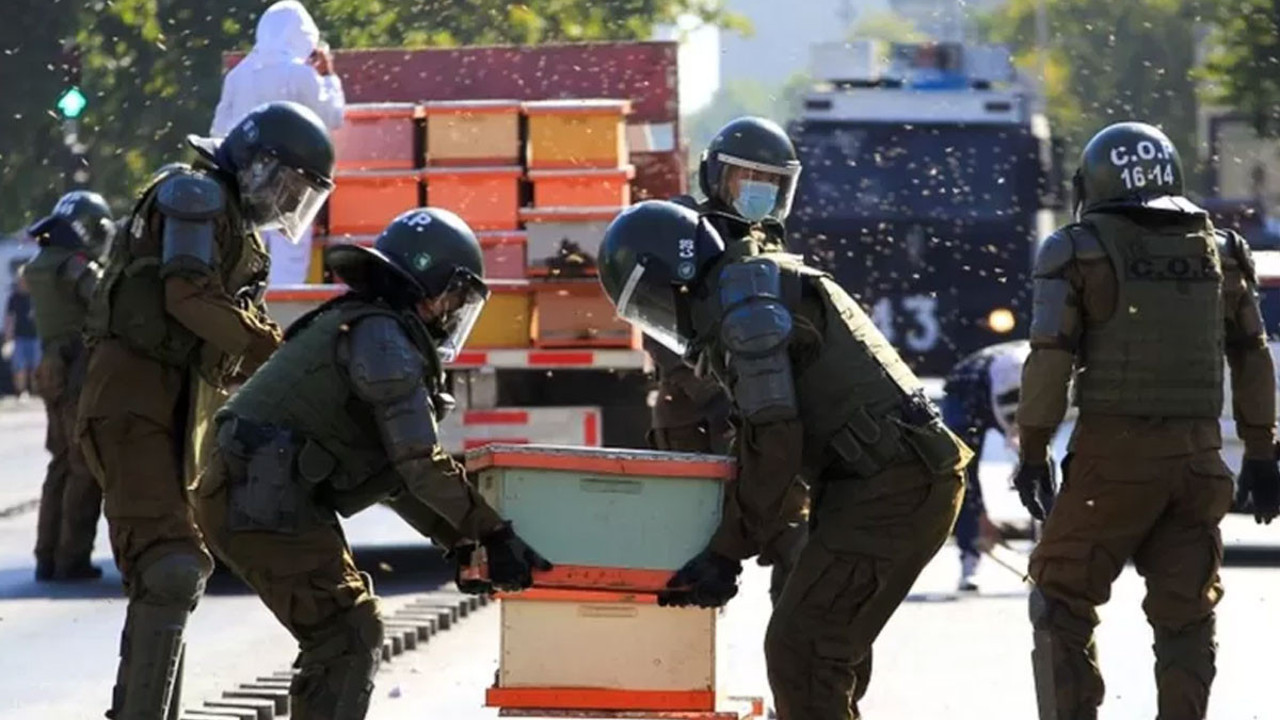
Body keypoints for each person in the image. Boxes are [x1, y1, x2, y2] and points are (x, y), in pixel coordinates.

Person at [598, 200, 972, 719]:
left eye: (653, 303)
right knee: (820, 650)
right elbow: (766, 441)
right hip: (880, 484)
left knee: (805, 652)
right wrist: (728, 542)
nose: (663, 320)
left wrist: (726, 551)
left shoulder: (747, 306)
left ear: (677, 278)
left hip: (892, 489)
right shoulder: (750, 285)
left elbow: (774, 439)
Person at [195, 207, 550, 718]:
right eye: (454, 297)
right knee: (347, 632)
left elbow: (393, 475)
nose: (453, 311)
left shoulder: (370, 326)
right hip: (260, 497)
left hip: (261, 492)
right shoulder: (384, 339)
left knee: (344, 631)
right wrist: (493, 532)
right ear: (431, 288)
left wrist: (460, 540)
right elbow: (417, 462)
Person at [78, 101, 335, 720]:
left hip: (178, 412)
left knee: (177, 572)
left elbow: (231, 328)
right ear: (257, 163)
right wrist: (278, 356)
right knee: (171, 567)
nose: (285, 202)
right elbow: (188, 296)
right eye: (286, 186)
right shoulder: (194, 196)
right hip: (133, 403)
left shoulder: (235, 228)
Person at [1014, 121, 1280, 720]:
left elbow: (1050, 359)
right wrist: (1263, 452)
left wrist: (1032, 453)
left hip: (1114, 460)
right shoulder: (1223, 248)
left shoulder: (1076, 248)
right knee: (1187, 614)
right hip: (1200, 460)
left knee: (1060, 598)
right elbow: (1252, 353)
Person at [649, 115, 807, 607]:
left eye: (772, 181)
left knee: (801, 553)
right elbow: (659, 327)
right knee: (681, 569)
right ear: (718, 177)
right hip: (696, 425)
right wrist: (714, 388)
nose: (759, 189)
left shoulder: (771, 253)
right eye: (748, 177)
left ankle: (799, 665)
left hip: (764, 429)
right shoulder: (684, 236)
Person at [211, 0, 345, 286]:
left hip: (242, 177)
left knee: (244, 250)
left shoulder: (238, 75)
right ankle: (284, 317)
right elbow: (331, 116)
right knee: (289, 258)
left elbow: (219, 130)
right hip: (291, 181)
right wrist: (329, 77)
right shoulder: (300, 74)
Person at [25, 191, 113, 582]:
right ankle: (71, 559)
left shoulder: (41, 263)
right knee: (85, 467)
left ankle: (47, 557)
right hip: (77, 370)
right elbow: (106, 303)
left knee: (60, 465)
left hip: (50, 370)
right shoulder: (75, 265)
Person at [941, 339, 1029, 592]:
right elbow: (965, 470)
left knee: (1040, 469)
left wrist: (1028, 459)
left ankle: (1047, 556)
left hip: (1029, 392)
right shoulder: (970, 392)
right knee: (960, 470)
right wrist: (980, 516)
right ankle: (970, 557)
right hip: (966, 389)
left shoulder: (1052, 382)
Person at [4, 271, 41, 399]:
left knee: (36, 366)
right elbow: (9, 318)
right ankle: (22, 392)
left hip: (36, 336)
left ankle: (37, 391)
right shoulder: (14, 298)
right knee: (20, 367)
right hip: (20, 337)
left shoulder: (35, 296)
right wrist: (8, 337)